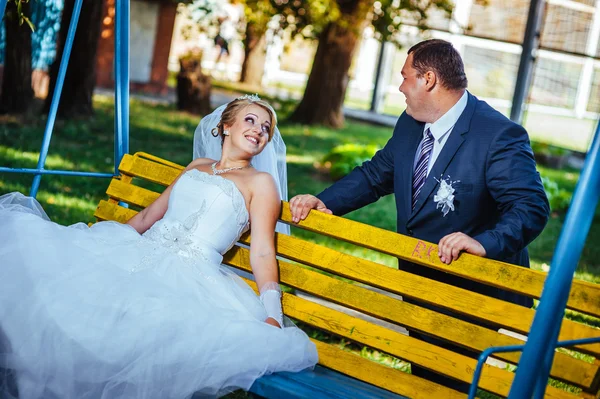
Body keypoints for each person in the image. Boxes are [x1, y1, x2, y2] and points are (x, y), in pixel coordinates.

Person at [0, 95, 318, 399]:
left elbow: (262, 250)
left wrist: (273, 312)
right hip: (142, 251)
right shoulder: (197, 166)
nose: (259, 130)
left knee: (138, 329)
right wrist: (97, 245)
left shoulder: (260, 183)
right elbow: (150, 215)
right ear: (226, 126)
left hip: (189, 276)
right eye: (251, 120)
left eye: (266, 128)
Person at [289, 39, 549, 390]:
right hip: (417, 280)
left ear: (428, 79)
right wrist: (326, 201)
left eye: (405, 76)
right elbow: (377, 173)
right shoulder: (412, 122)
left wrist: (482, 244)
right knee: (423, 380)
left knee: (447, 384)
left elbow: (530, 206)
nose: (400, 87)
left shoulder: (498, 135)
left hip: (472, 291)